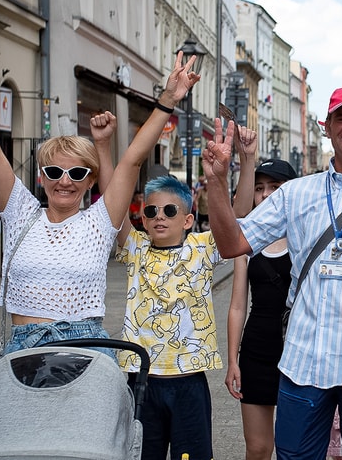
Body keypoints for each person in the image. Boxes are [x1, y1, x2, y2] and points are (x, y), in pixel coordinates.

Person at [0, 35, 198, 355]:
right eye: (54, 172)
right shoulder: (20, 210)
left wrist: (168, 98)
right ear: (41, 177)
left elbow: (132, 157)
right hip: (25, 346)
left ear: (90, 180)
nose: (65, 181)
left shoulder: (99, 222)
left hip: (85, 345)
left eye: (76, 173)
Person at [218, 83, 342, 460]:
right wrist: (215, 181)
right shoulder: (295, 193)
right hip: (303, 359)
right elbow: (232, 245)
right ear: (326, 127)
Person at [99, 118, 241, 460]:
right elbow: (111, 201)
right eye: (151, 211)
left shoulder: (203, 247)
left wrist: (234, 169)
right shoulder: (134, 247)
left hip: (188, 378)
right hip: (140, 376)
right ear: (143, 218)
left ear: (187, 219)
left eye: (169, 210)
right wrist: (103, 147)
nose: (159, 217)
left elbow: (237, 219)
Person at [225, 153, 298, 459]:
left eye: (275, 186)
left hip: (298, 347)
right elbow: (238, 306)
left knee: (296, 447)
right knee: (257, 447)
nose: (266, 194)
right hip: (257, 348)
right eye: (260, 187)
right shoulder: (247, 242)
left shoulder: (304, 237)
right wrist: (232, 360)